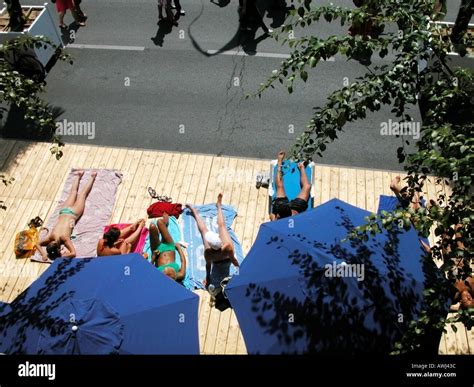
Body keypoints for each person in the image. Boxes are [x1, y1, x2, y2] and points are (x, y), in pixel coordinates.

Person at [37, 171, 96, 261]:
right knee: (73, 192)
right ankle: (78, 175)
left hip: (73, 214)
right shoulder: (51, 237)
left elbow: (73, 253)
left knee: (82, 194)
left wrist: (58, 256)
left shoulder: (64, 239)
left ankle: (92, 176)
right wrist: (43, 253)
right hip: (64, 212)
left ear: (59, 249)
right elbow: (37, 244)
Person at [186, 193, 239, 289]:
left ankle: (196, 211)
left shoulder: (208, 252)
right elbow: (234, 260)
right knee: (222, 225)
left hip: (218, 259)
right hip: (226, 256)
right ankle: (218, 206)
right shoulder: (227, 246)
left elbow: (208, 266)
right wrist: (240, 270)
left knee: (203, 231)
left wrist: (208, 277)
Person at [270, 151, 311, 221]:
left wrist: (279, 162)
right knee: (307, 187)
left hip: (282, 207)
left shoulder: (279, 209)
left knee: (280, 186)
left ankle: (279, 162)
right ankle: (301, 166)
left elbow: (272, 216)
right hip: (294, 211)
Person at [149, 212, 187, 281]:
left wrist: (153, 257)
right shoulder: (180, 275)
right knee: (159, 222)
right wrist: (179, 248)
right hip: (169, 246)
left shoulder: (159, 277)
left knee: (152, 227)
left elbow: (149, 270)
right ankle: (165, 224)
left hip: (157, 251)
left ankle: (160, 231)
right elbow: (183, 261)